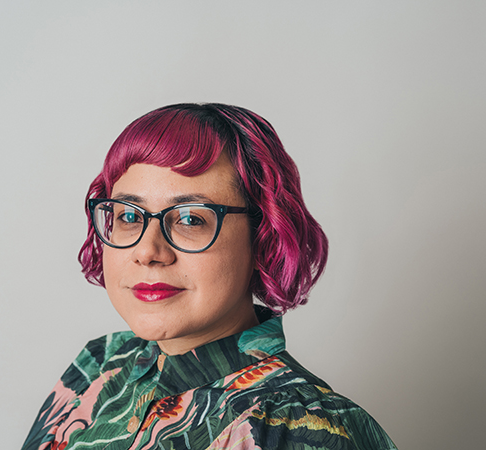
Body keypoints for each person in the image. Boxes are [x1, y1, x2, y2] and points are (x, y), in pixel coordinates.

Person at [21, 103, 398, 450]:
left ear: (263, 235)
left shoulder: (298, 428)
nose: (148, 252)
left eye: (190, 219)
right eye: (129, 216)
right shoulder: (99, 368)